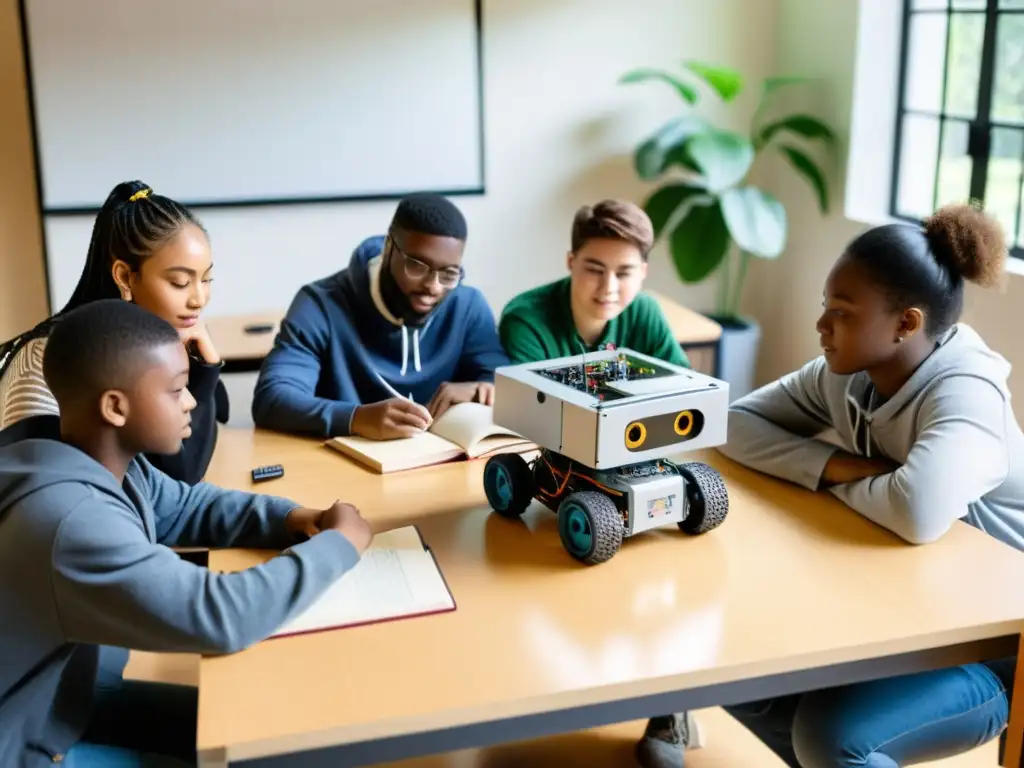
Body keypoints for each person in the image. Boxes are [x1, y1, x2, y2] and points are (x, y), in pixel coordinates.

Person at [706, 202, 1023, 768]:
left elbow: (917, 511)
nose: (822, 326)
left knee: (833, 738)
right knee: (738, 668)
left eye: (843, 313)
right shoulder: (847, 374)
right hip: (913, 605)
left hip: (999, 649)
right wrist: (833, 466)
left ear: (907, 323)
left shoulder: (967, 392)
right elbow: (732, 423)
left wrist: (840, 485)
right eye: (826, 308)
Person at [0, 299, 374, 766]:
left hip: (64, 701)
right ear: (115, 406)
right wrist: (339, 546)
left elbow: (187, 505)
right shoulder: (71, 520)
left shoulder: (104, 462)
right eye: (176, 389)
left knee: (268, 729)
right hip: (25, 741)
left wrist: (292, 518)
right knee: (260, 746)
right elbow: (218, 616)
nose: (193, 400)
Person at [0, 180, 228, 486]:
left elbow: (214, 418)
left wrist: (204, 366)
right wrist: (206, 371)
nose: (199, 299)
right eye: (179, 282)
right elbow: (178, 476)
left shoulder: (146, 343)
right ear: (124, 276)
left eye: (206, 279)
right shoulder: (48, 361)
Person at [251, 193, 509, 439]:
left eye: (449, 273)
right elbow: (273, 398)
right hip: (345, 471)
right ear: (388, 247)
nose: (433, 287)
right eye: (416, 266)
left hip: (441, 467)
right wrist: (356, 419)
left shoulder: (468, 305)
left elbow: (503, 381)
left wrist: (482, 390)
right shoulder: (321, 305)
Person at [499, 199, 690, 368]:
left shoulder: (645, 312)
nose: (608, 288)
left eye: (623, 273)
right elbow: (529, 405)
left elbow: (685, 389)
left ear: (642, 273)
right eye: (595, 271)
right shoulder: (526, 320)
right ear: (571, 263)